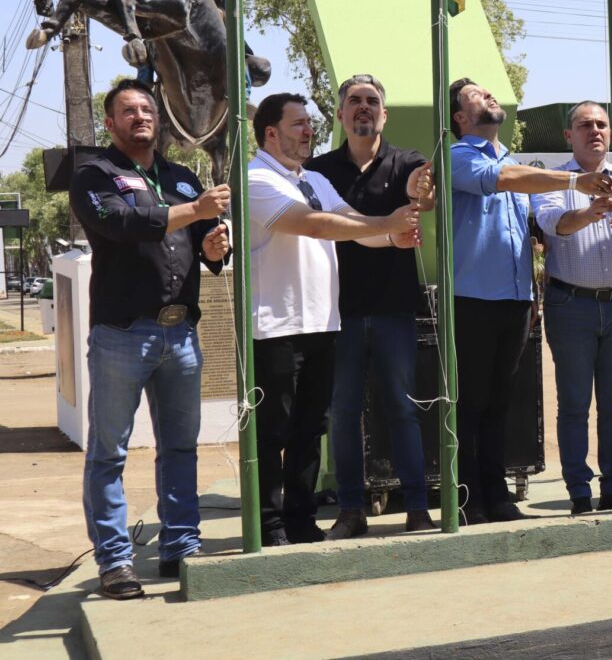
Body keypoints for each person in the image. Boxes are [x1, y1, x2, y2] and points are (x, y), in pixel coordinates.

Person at [70, 79, 231, 599]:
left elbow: (208, 256)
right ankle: (116, 562)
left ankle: (180, 548)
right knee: (109, 454)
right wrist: (196, 212)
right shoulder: (95, 174)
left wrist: (211, 245)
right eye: (128, 110)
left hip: (180, 332)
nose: (141, 116)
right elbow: (123, 224)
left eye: (147, 109)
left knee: (181, 448)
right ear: (110, 123)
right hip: (122, 335)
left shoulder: (182, 178)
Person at [248, 92, 423, 546]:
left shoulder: (311, 179)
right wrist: (388, 221)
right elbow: (317, 225)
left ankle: (301, 521)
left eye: (309, 123)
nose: (309, 131)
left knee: (309, 432)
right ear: (271, 133)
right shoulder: (255, 178)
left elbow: (353, 224)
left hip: (322, 324)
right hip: (276, 328)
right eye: (298, 124)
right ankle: (269, 525)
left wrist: (394, 237)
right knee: (274, 432)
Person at [449, 79, 612, 523]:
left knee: (501, 401)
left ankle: (496, 494)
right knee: (471, 403)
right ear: (461, 118)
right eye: (476, 96)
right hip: (471, 300)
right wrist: (577, 181)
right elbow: (500, 180)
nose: (488, 97)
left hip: (516, 300)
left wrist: (534, 292)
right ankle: (468, 498)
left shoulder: (515, 161)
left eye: (489, 92)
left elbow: (527, 234)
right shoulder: (458, 157)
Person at [305, 75, 437, 540]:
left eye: (372, 102)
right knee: (342, 413)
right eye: (354, 101)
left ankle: (418, 508)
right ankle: (351, 511)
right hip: (335, 312)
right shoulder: (316, 171)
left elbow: (425, 196)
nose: (363, 108)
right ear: (340, 113)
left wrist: (424, 190)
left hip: (394, 308)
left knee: (403, 409)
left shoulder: (408, 162)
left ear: (385, 114)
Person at [530, 101, 612, 515]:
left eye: (601, 124)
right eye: (585, 125)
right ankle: (579, 491)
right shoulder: (554, 179)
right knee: (575, 404)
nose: (595, 131)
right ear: (569, 136)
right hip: (571, 305)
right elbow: (554, 225)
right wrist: (590, 211)